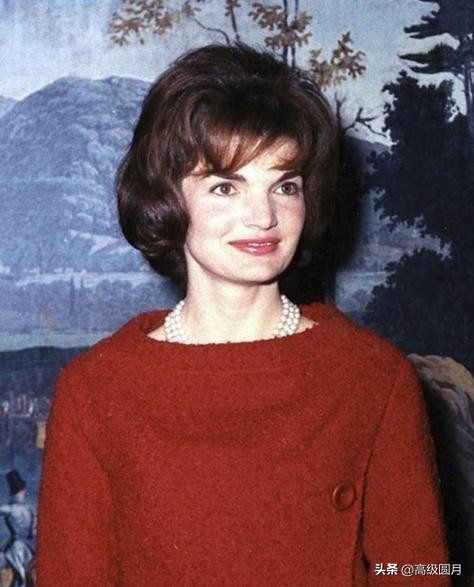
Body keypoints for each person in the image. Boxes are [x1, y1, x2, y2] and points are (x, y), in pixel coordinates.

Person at [37, 43, 450, 585]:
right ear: (167, 198)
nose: (264, 216)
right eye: (226, 186)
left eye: (285, 186)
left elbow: (420, 567)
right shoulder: (97, 391)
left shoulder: (371, 375)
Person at [0, 470, 36, 587]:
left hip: (14, 548)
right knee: (23, 577)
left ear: (12, 492)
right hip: (28, 548)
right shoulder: (30, 509)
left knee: (20, 578)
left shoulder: (9, 509)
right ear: (24, 491)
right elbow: (32, 533)